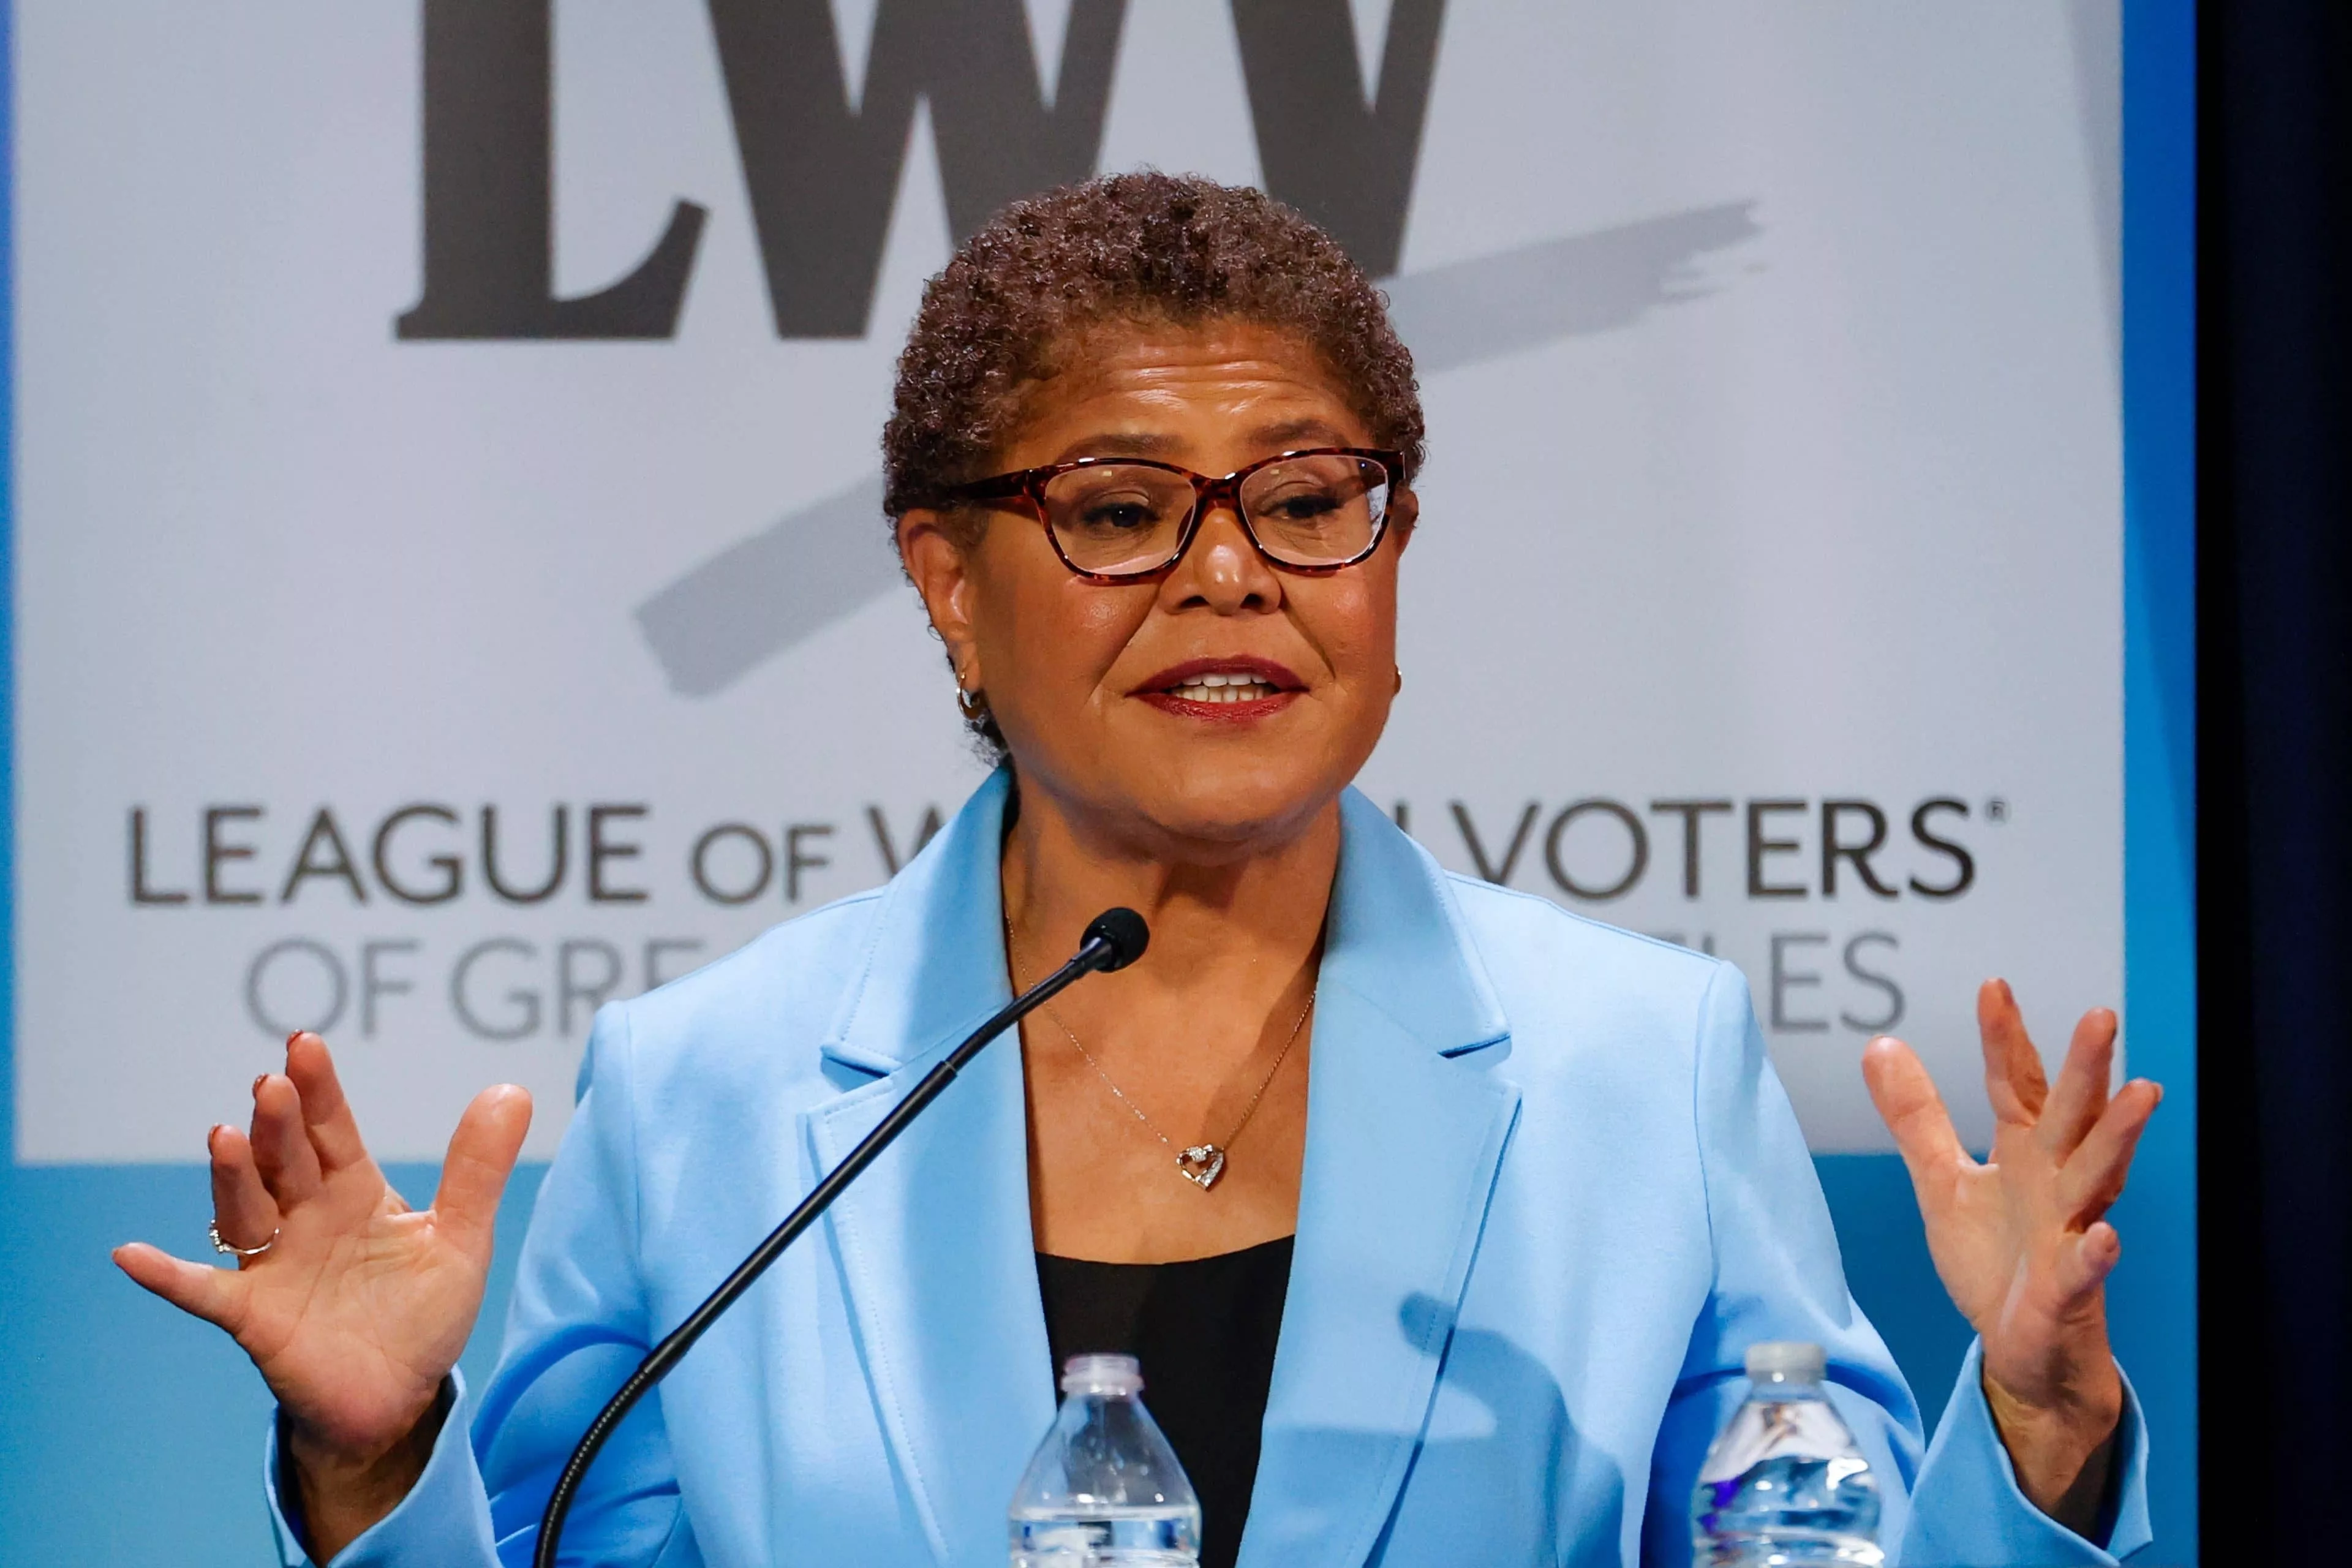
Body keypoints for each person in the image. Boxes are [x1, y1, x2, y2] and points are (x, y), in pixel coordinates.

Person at [115, 173, 2160, 1568]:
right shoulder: (713, 1090)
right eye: (1117, 507)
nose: (1229, 572)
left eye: (1306, 498)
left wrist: (2041, 1438)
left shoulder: (1642, 1063)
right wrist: (378, 1464)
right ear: (947, 581)